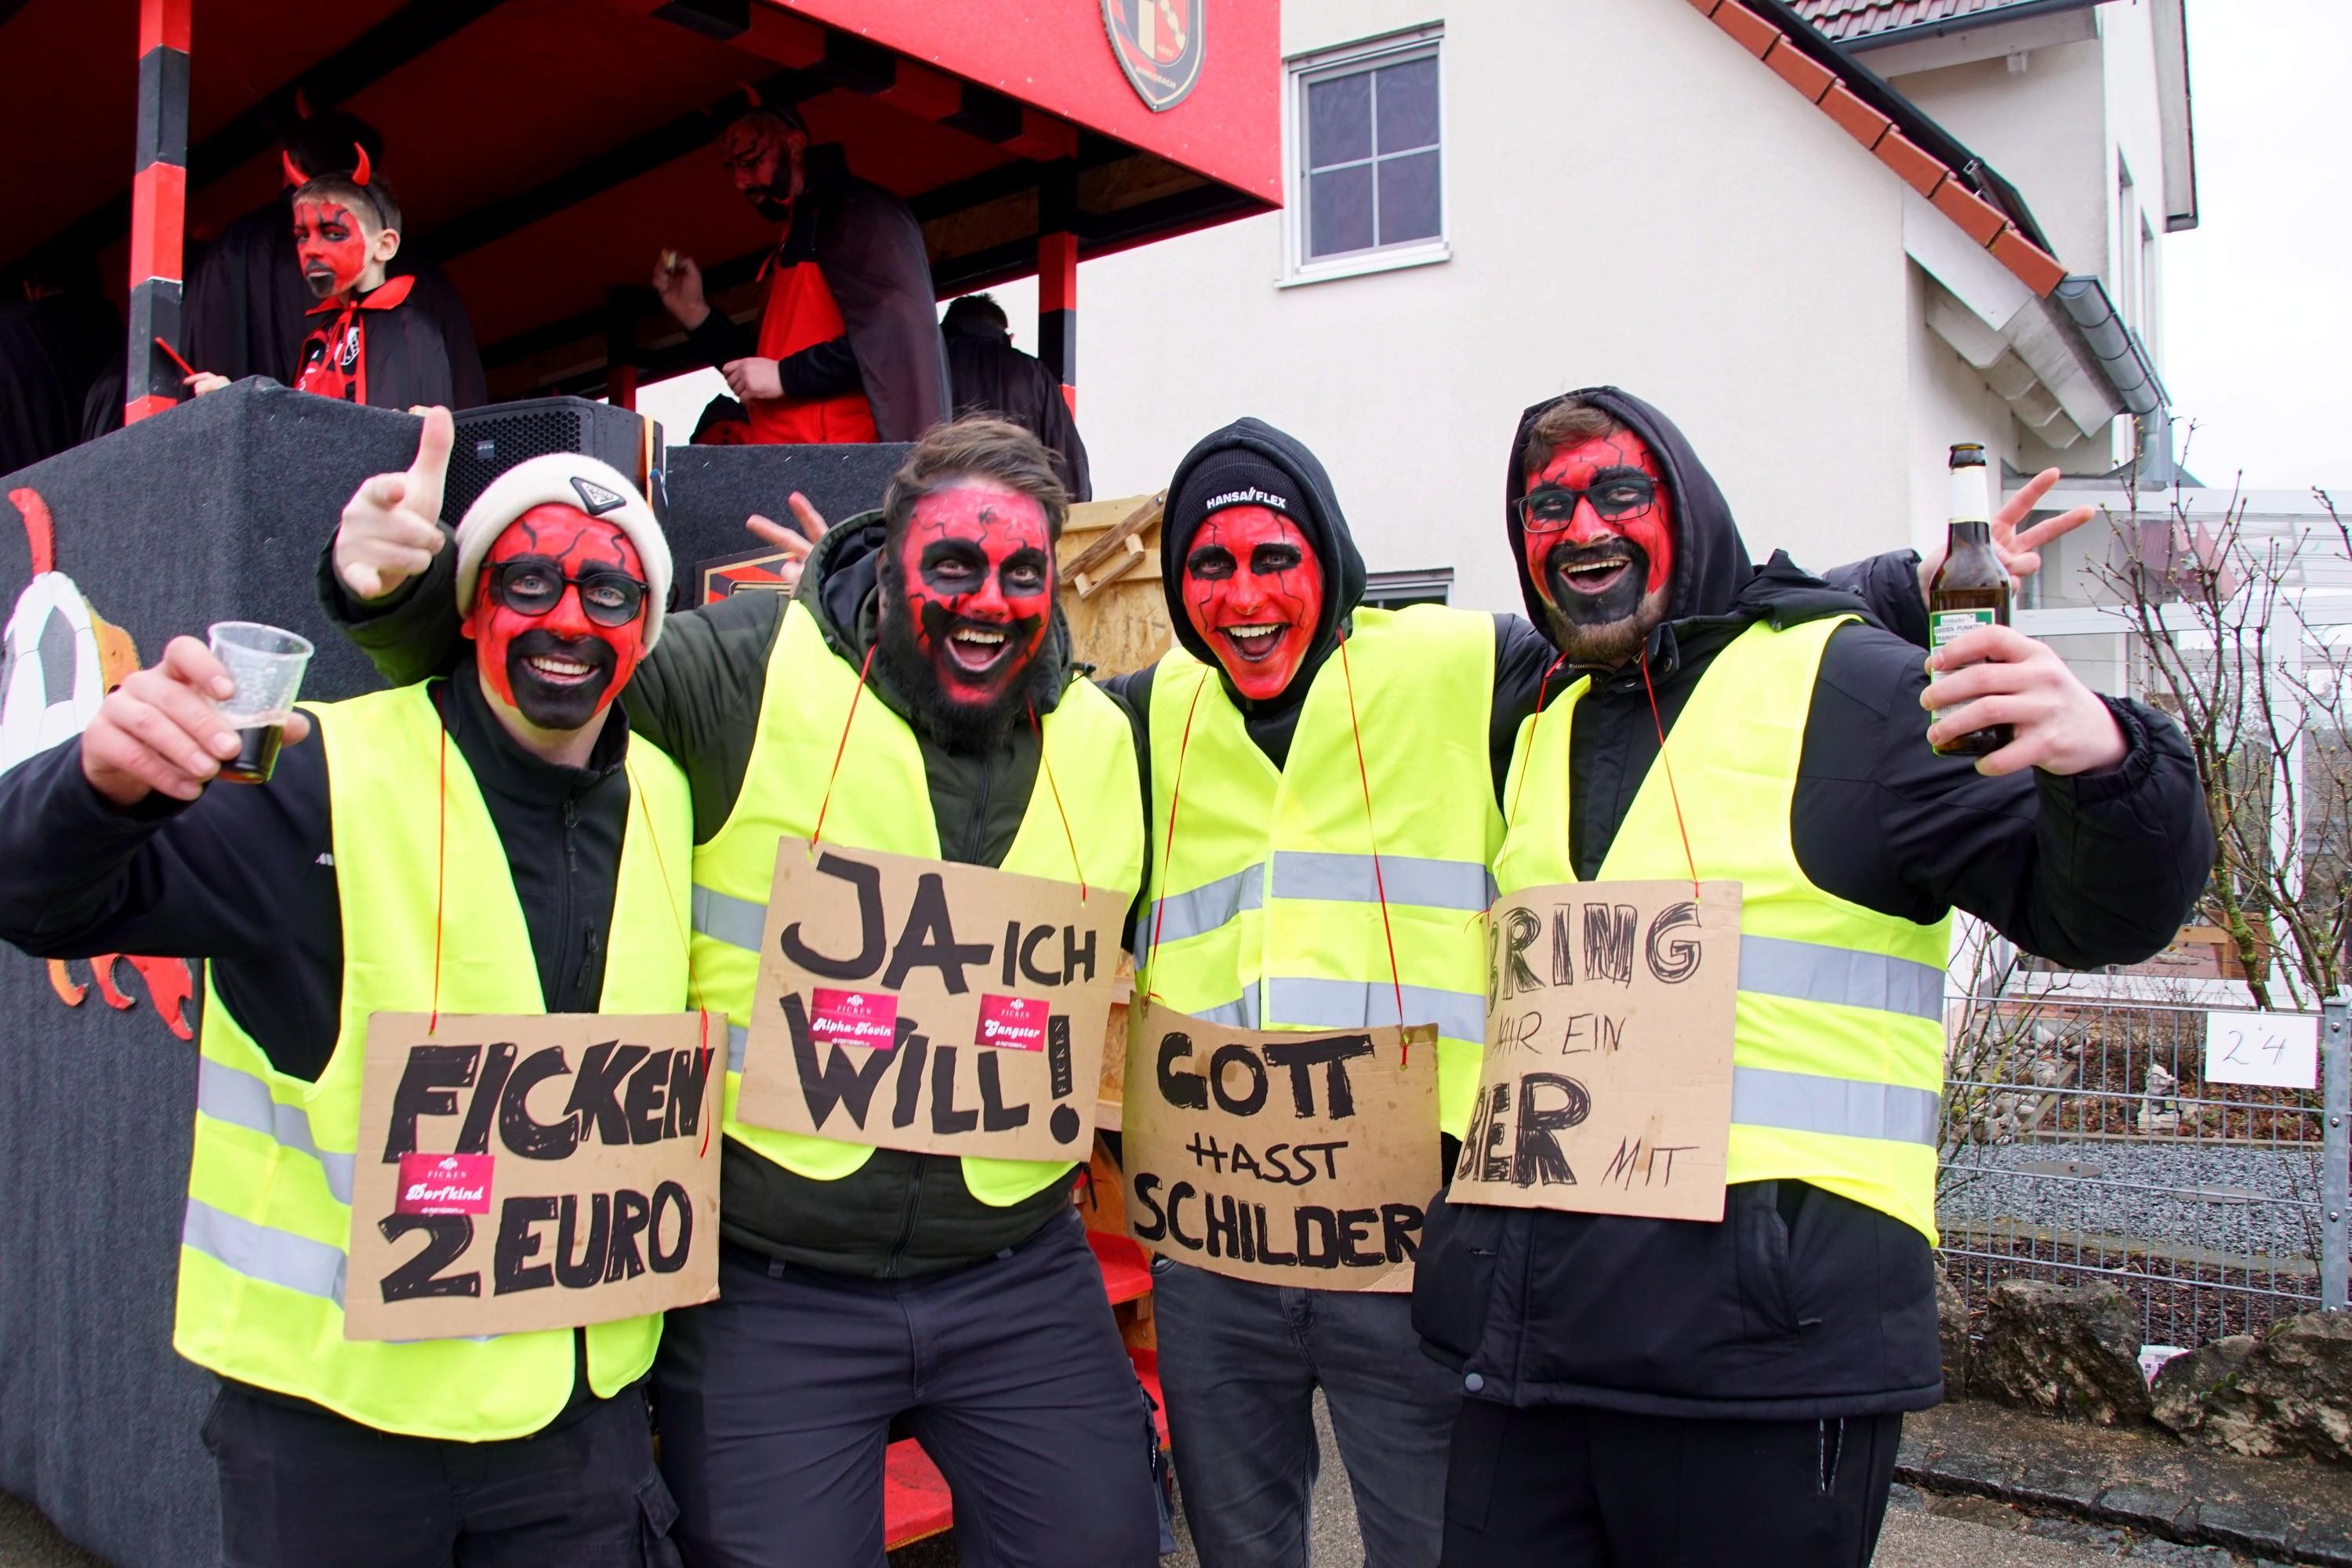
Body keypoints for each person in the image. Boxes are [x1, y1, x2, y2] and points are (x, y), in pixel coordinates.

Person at [325, 416, 1160, 1568]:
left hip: (1016, 1278)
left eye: (1023, 572)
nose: (990, 602)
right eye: (954, 566)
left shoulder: (1109, 741)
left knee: (1103, 1542)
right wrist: (395, 594)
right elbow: (554, 670)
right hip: (777, 1288)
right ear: (891, 558)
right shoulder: (751, 665)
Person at [1411, 387, 2212, 1568]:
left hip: (1760, 1374)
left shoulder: (1856, 692)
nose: (1580, 526)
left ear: (1688, 506)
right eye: (1546, 505)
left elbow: (2089, 910)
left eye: (1619, 492)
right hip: (1534, 1359)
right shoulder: (1536, 716)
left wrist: (2110, 764)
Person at [0, 411, 691, 1566]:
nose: (568, 617)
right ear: (470, 609)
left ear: (650, 629)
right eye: (528, 580)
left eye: (608, 594)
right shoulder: (318, 773)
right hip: (340, 1443)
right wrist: (97, 789)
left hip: (578, 1437)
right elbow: (38, 900)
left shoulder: (667, 797)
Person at [652, 102, 948, 445]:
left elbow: (892, 340)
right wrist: (694, 313)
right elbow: (761, 369)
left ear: (793, 145)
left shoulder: (859, 212)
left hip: (844, 460)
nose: (739, 181)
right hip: (788, 461)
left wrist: (784, 375)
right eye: (732, 167)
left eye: (750, 161)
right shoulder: (793, 236)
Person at [181, 108, 485, 408]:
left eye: (334, 232)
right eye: (301, 236)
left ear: (386, 244)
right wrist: (238, 399)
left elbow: (382, 438)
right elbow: (306, 428)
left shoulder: (411, 329)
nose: (311, 249)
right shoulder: (319, 342)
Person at [942, 293, 1091, 500]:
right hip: (1014, 518)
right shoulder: (1032, 372)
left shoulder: (919, 368)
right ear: (1007, 335)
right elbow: (1072, 476)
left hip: (931, 517)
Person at [0, 256, 119, 474]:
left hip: (29, 485)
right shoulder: (114, 331)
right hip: (112, 466)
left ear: (31, 288)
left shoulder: (20, 334)